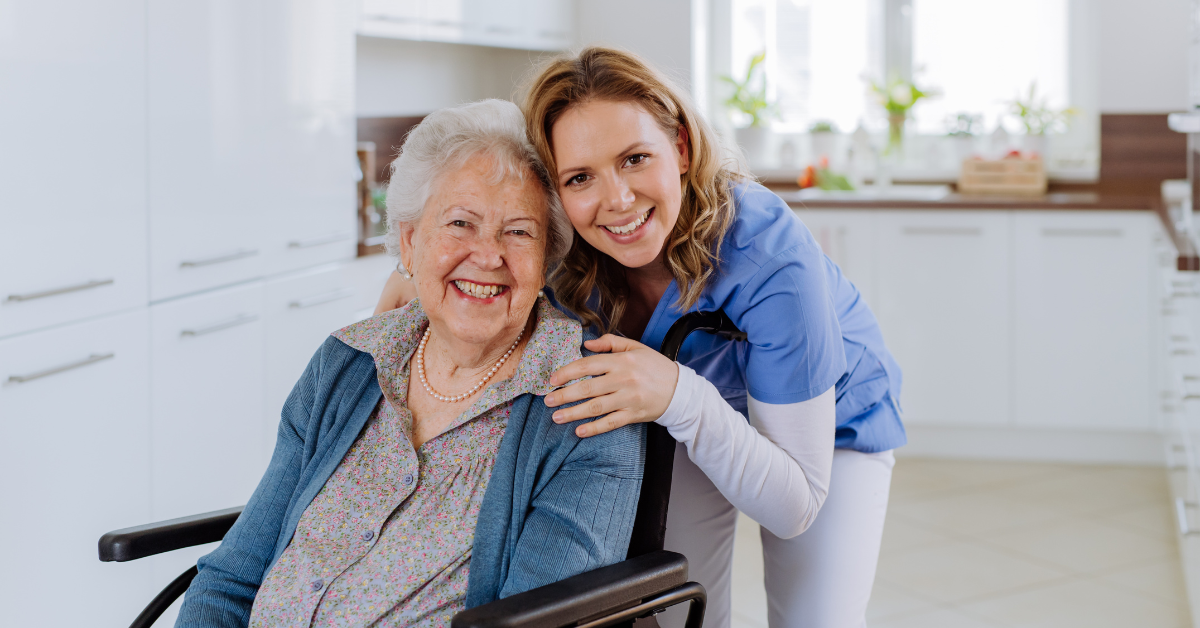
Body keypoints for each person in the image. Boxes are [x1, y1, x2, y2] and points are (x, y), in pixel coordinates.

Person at [377, 47, 904, 628]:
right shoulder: (563, 246)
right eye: (580, 177)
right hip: (679, 413)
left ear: (679, 148)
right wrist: (416, 272)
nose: (617, 200)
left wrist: (681, 394)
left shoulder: (769, 257)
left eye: (634, 158)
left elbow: (795, 506)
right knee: (677, 612)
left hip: (828, 426)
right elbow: (478, 258)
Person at [176, 99, 645, 628]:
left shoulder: (587, 406)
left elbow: (538, 622)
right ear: (410, 240)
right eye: (461, 223)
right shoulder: (346, 364)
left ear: (545, 261)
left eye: (518, 231)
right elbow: (231, 581)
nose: (488, 255)